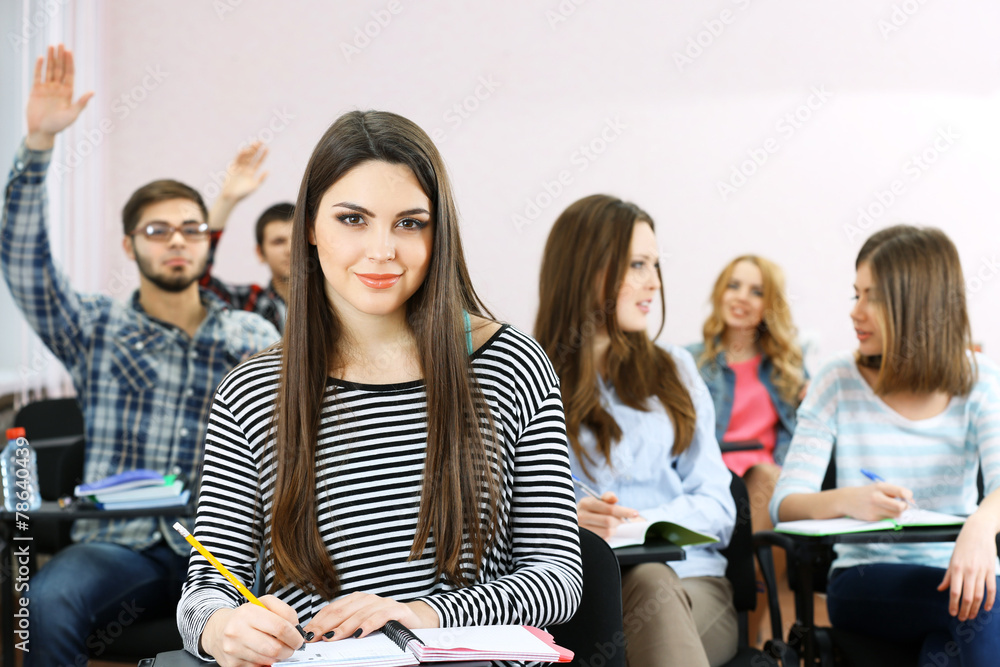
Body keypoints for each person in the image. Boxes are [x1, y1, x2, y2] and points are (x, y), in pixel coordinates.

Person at [177, 110, 583, 665]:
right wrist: (222, 627)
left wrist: (422, 612)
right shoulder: (251, 389)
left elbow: (557, 577)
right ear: (311, 229)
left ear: (439, 233)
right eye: (353, 219)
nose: (382, 249)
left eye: (410, 223)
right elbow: (205, 590)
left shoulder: (511, 364)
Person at [0, 45, 280, 666]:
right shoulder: (94, 329)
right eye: (158, 230)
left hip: (225, 550)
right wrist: (40, 144)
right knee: (48, 599)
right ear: (130, 245)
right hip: (118, 543)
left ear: (208, 244)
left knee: (284, 618)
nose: (177, 240)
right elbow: (23, 263)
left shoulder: (253, 339)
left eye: (191, 229)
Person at [770, 225, 1000, 665]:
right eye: (854, 294)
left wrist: (981, 524)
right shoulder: (837, 380)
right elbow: (785, 503)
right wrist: (850, 499)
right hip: (864, 580)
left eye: (871, 297)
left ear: (916, 304)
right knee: (989, 604)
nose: (855, 312)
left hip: (961, 570)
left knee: (946, 648)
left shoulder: (981, 379)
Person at [534, 194, 737, 667]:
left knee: (650, 580)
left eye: (655, 265)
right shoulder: (525, 374)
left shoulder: (677, 369)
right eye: (637, 265)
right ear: (583, 270)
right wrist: (567, 524)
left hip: (694, 588)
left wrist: (640, 525)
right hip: (580, 596)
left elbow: (718, 506)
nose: (654, 283)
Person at [687, 256, 807, 644]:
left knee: (772, 478)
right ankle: (754, 630)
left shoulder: (785, 368)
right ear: (720, 292)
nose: (742, 298)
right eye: (734, 285)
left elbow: (797, 444)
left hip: (766, 482)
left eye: (757, 292)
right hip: (715, 480)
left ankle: (752, 631)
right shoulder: (690, 361)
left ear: (770, 305)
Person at [200, 143, 293, 332]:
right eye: (278, 241)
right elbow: (195, 278)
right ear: (260, 253)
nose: (291, 249)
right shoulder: (248, 303)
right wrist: (227, 200)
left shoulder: (340, 300)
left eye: (298, 239)